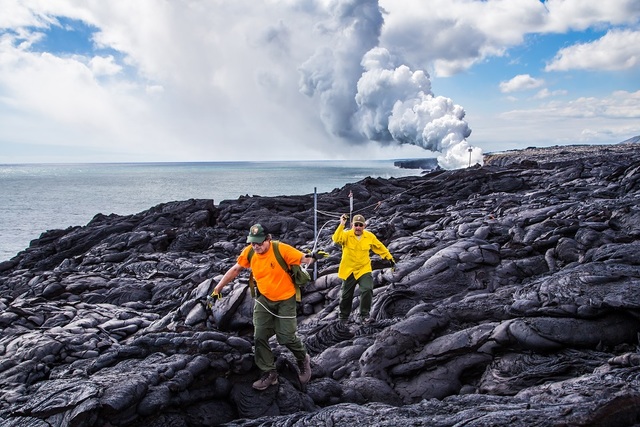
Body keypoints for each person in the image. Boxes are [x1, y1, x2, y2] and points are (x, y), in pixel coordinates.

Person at [211, 224, 319, 391]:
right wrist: (218, 288)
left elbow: (304, 258)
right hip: (264, 300)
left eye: (259, 243)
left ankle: (302, 358)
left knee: (286, 337)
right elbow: (236, 269)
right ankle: (269, 374)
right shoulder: (250, 252)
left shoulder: (280, 249)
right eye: (253, 242)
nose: (256, 246)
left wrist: (313, 257)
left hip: (286, 300)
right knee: (260, 336)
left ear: (268, 239)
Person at [332, 214, 395, 324]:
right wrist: (342, 224)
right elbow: (336, 238)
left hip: (364, 268)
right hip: (349, 270)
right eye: (356, 225)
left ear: (364, 226)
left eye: (360, 225)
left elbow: (379, 246)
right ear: (352, 225)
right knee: (346, 296)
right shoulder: (346, 235)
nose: (358, 227)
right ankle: (343, 318)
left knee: (367, 289)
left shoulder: (369, 236)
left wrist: (389, 257)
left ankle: (364, 315)